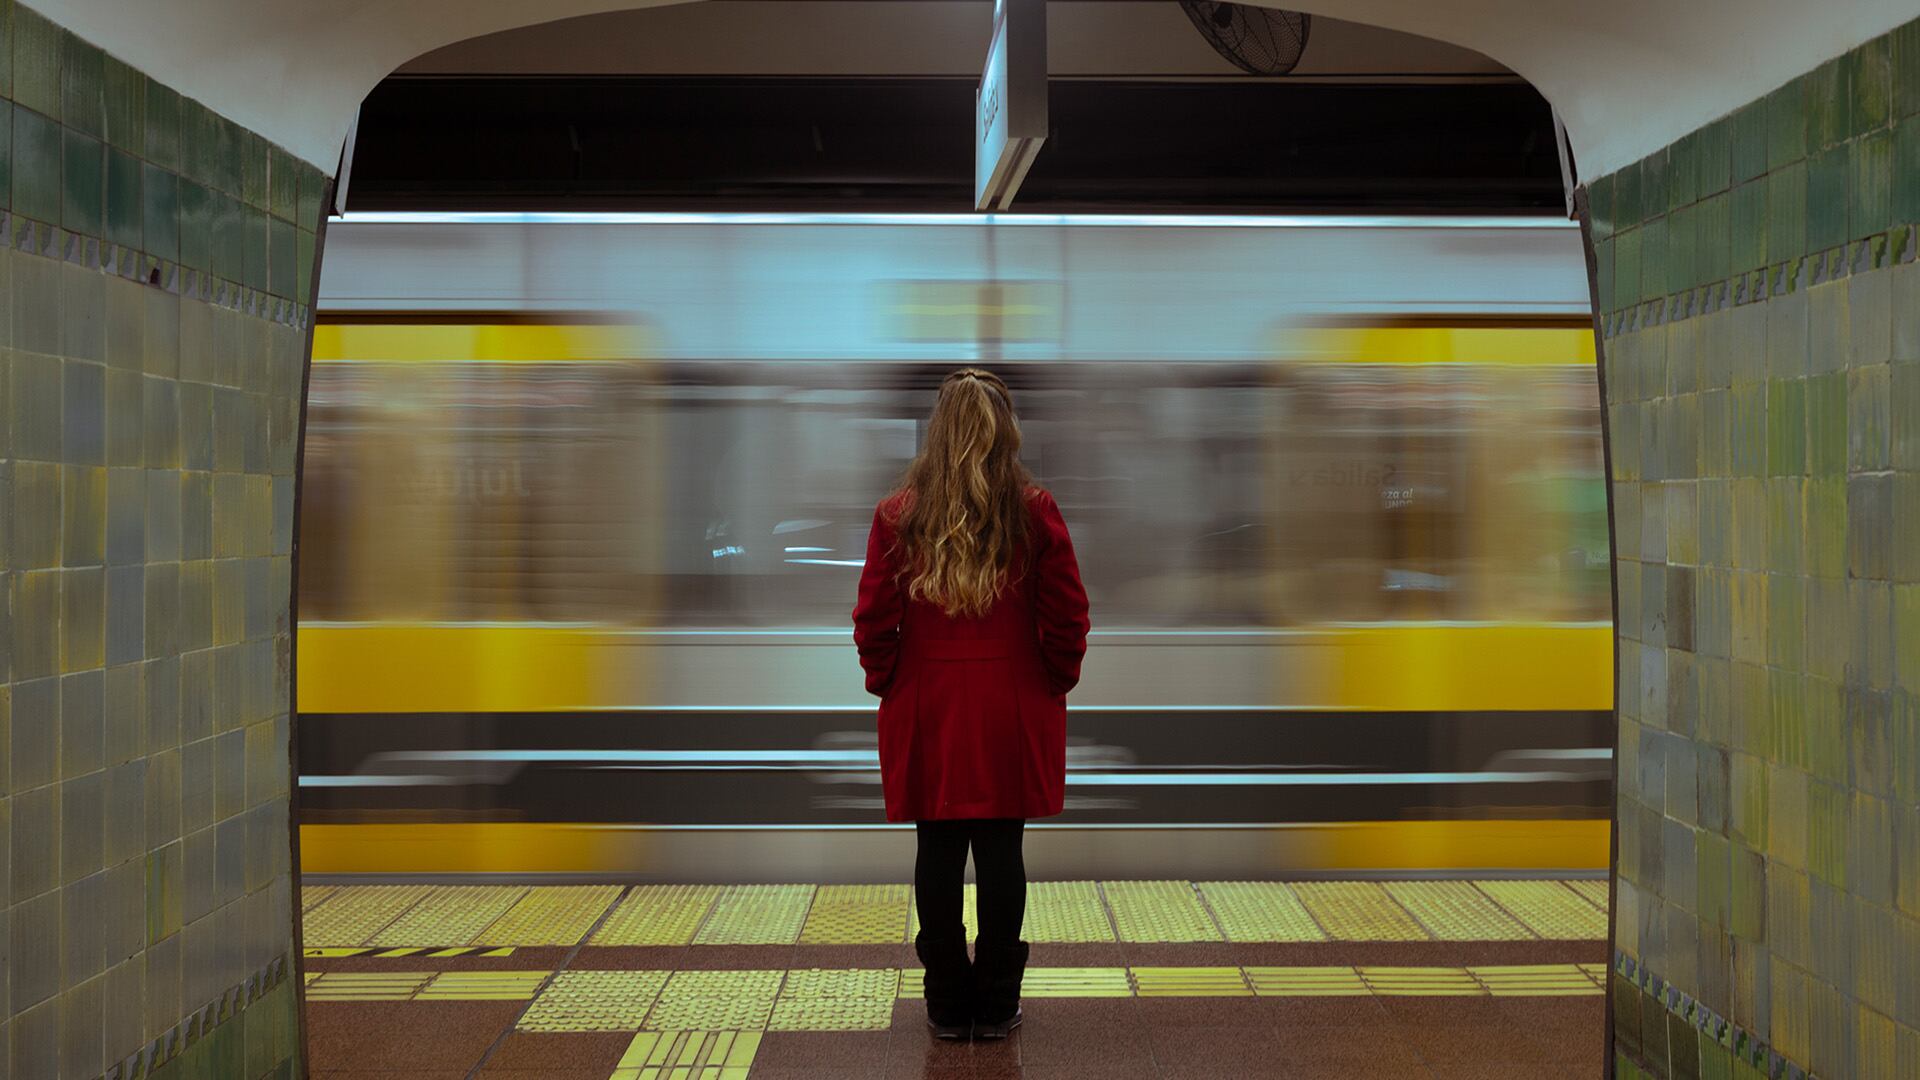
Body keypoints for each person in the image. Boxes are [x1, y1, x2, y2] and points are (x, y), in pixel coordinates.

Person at [851, 367, 1091, 1041]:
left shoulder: (899, 514)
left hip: (929, 706)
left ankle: (946, 1004)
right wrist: (1049, 681)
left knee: (937, 848)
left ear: (938, 434)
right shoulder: (1034, 510)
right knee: (1001, 850)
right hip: (1011, 708)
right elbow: (1069, 613)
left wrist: (890, 682)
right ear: (1005, 432)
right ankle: (997, 1000)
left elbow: (873, 617)